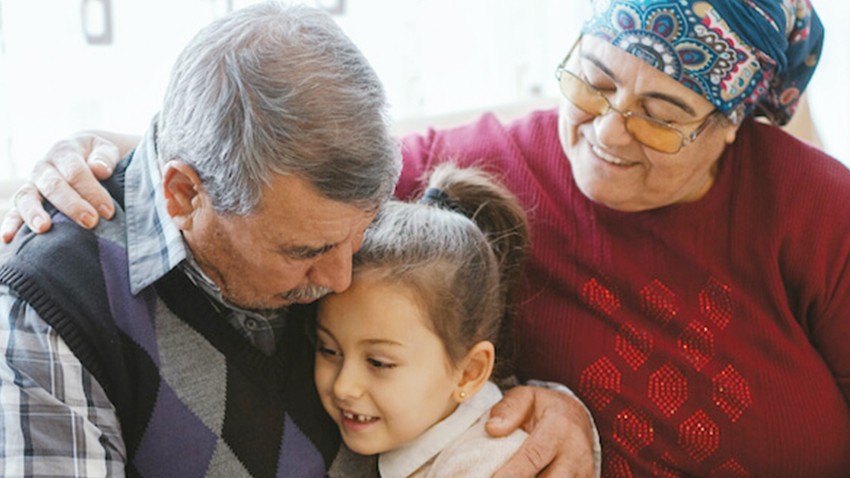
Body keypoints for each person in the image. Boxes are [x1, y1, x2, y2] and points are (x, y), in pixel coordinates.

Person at [9, 0, 850, 475]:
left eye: (664, 116)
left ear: (733, 127)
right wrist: (102, 154)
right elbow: (260, 172)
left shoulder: (814, 209)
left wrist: (569, 414)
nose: (611, 131)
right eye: (592, 83)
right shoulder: (486, 163)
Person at [0, 2, 596, 477]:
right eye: (304, 253)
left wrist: (550, 408)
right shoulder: (51, 314)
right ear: (183, 196)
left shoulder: (331, 216)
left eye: (357, 236)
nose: (341, 278)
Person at [318, 162, 536, 477]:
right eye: (328, 350)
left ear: (468, 373)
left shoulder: (492, 465)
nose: (343, 386)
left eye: (379, 362)